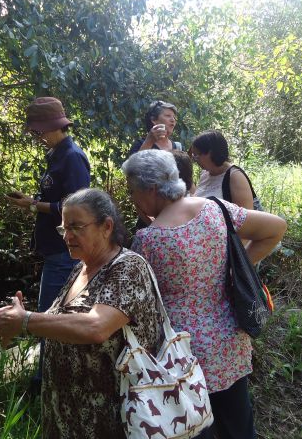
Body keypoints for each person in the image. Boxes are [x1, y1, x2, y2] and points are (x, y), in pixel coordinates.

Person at [122, 150, 287, 439]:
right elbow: (276, 227)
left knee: (197, 427)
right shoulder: (215, 209)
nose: (131, 198)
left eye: (132, 190)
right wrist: (239, 267)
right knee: (239, 424)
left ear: (150, 189)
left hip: (183, 354)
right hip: (229, 339)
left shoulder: (148, 239)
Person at [0, 188, 164, 438]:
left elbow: (96, 327)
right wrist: (18, 321)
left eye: (76, 227)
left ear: (106, 226)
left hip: (112, 418)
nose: (67, 236)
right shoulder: (81, 269)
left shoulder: (128, 268)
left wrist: (26, 321)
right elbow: (62, 323)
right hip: (68, 415)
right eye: (63, 229)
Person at [6, 97, 90, 388]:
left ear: (53, 127)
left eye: (38, 131)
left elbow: (78, 205)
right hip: (55, 250)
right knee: (51, 313)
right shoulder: (57, 154)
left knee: (49, 316)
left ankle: (45, 381)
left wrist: (33, 205)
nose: (37, 137)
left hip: (64, 251)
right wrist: (33, 204)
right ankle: (50, 376)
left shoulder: (72, 156)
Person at [191, 130, 257, 210]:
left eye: (197, 155)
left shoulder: (235, 177)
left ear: (211, 153)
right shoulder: (205, 173)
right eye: (193, 156)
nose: (195, 160)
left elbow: (246, 217)